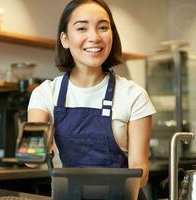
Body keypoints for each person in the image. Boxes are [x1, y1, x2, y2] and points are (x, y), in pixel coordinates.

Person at [27, 0, 156, 199]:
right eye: (82, 28)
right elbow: (31, 159)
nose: (94, 37)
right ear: (65, 39)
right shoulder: (45, 93)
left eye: (103, 27)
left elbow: (141, 172)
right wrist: (37, 147)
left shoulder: (134, 95)